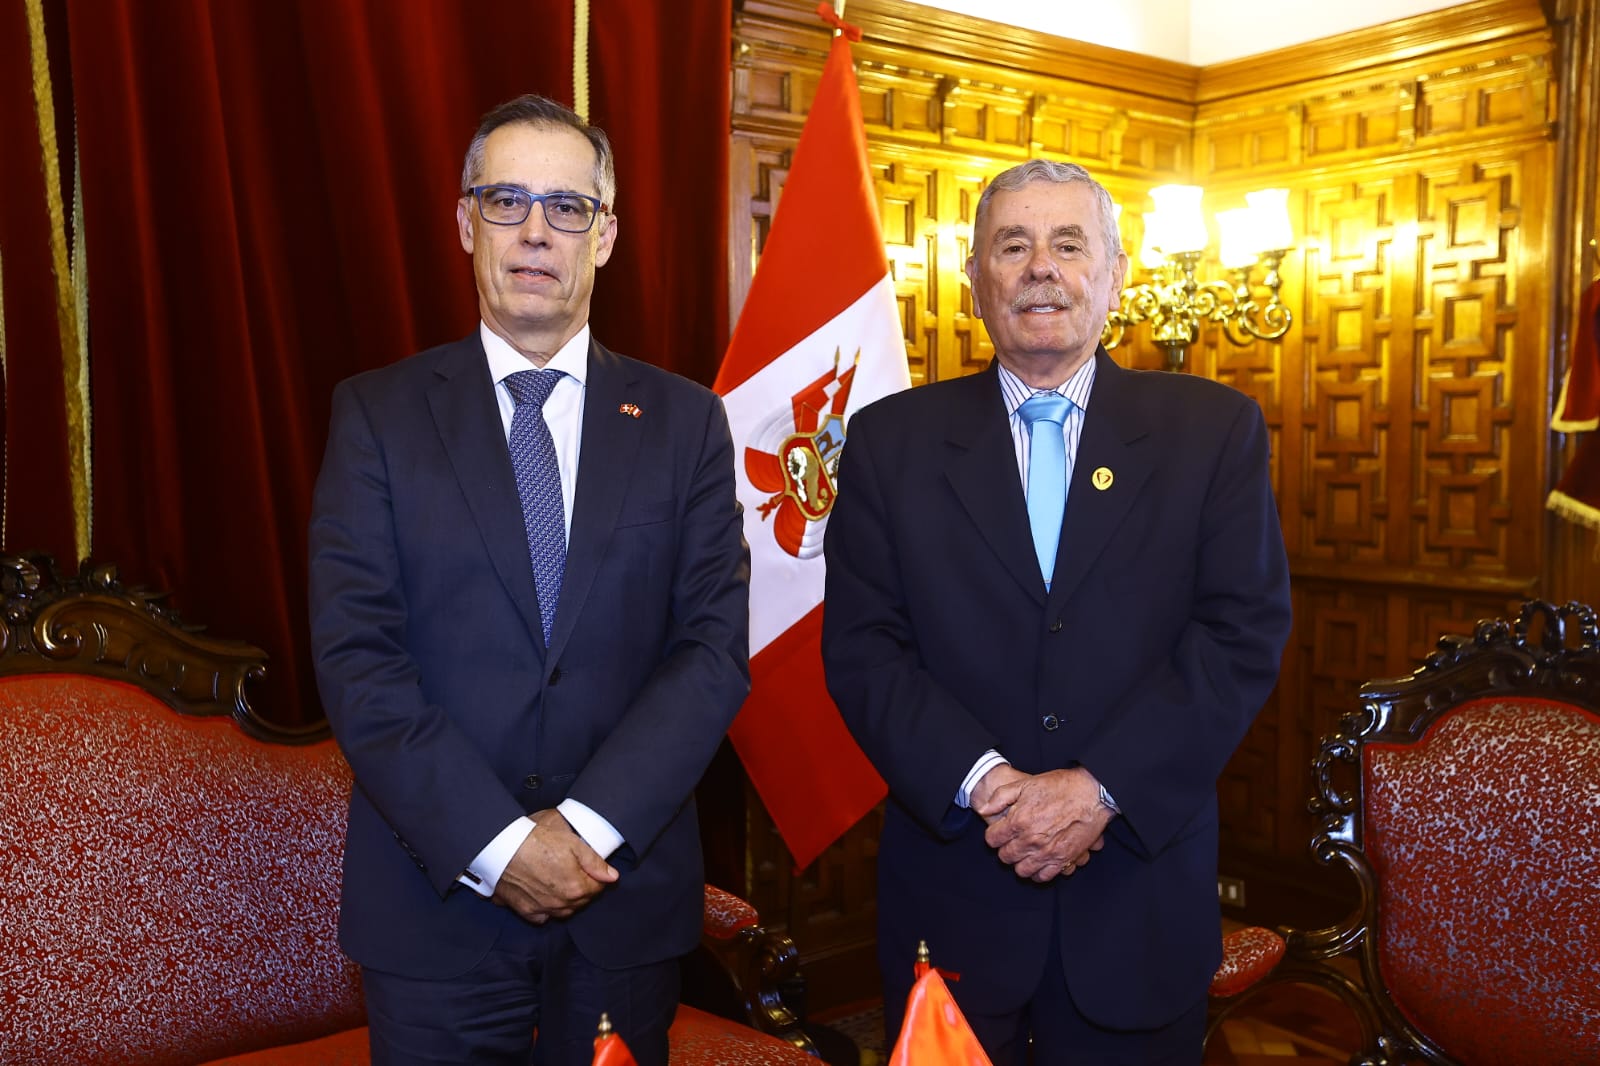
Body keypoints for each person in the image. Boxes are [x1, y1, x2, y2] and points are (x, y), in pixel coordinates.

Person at [307, 94, 750, 1066]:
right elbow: (357, 658)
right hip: (436, 914)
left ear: (606, 235)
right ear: (467, 224)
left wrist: (583, 831)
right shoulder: (376, 415)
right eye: (507, 201)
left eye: (568, 206)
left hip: (622, 906)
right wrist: (502, 845)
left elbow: (710, 653)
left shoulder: (686, 423)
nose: (537, 231)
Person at [820, 158, 1292, 1065]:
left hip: (1137, 899)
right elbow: (866, 648)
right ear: (975, 281)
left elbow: (1241, 635)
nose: (1042, 266)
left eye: (1069, 244)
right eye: (1013, 245)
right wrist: (992, 786)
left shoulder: (1213, 431)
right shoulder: (889, 441)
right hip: (956, 892)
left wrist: (1097, 788)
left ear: (1115, 276)